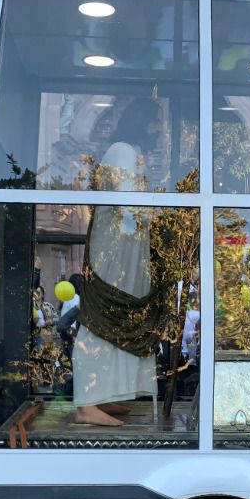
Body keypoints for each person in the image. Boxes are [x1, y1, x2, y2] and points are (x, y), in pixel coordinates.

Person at [73, 101, 165, 427]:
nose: (160, 129)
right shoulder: (123, 151)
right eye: (155, 122)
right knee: (101, 320)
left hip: (125, 251)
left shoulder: (130, 151)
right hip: (113, 253)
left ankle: (102, 396)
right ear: (141, 120)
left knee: (118, 320)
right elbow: (130, 207)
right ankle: (86, 404)